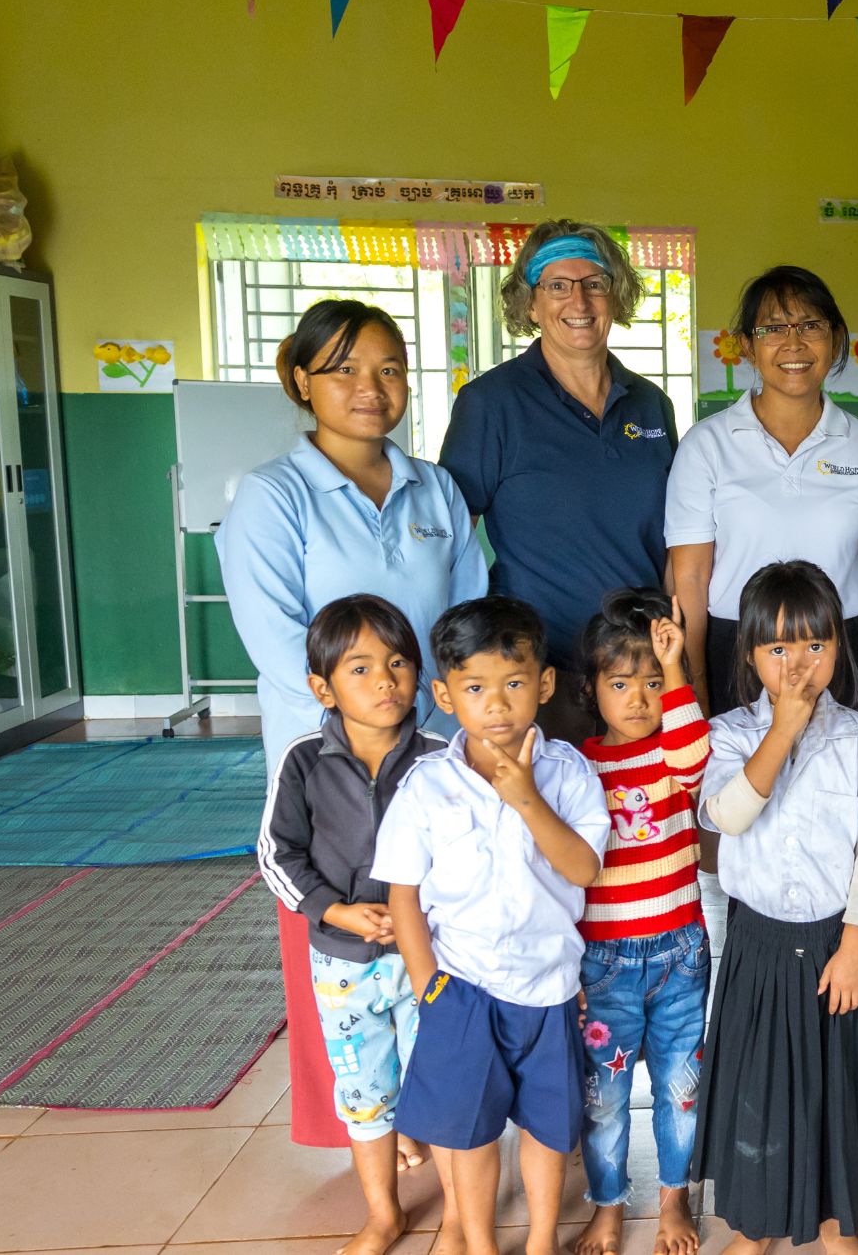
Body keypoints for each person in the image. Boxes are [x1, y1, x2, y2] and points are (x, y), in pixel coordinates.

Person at [219, 298, 488, 1151]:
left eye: (389, 369)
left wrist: (448, 734)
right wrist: (365, 743)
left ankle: (434, 1115)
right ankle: (367, 1131)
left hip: (434, 754)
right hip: (332, 767)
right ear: (301, 380)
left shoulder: (434, 487)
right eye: (343, 369)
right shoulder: (273, 495)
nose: (370, 389)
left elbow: (465, 619)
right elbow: (277, 646)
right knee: (347, 941)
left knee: (438, 944)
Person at [374, 596, 613, 1255]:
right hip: (463, 985)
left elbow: (583, 868)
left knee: (547, 1127)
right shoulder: (426, 786)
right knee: (467, 1131)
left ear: (544, 684)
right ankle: (477, 1241)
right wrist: (430, 989)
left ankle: (540, 1240)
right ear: (445, 696)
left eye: (514, 684)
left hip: (548, 988)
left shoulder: (569, 773)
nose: (498, 703)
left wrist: (526, 797)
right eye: (477, 687)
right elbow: (403, 895)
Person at [692, 561, 858, 1255]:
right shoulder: (726, 736)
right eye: (778, 648)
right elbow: (728, 814)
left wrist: (853, 948)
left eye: (815, 644)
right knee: (762, 1089)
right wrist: (780, 729)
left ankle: (831, 1224)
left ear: (838, 647)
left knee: (834, 1093)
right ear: (749, 652)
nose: (798, 664)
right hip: (755, 943)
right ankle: (756, 1228)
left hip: (833, 944)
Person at [255, 594, 450, 1255]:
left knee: (442, 1079)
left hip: (428, 956)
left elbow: (467, 858)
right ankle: (384, 1215)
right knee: (366, 1091)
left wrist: (420, 915)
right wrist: (333, 909)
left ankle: (460, 1215)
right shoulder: (303, 762)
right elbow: (277, 855)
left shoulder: (440, 759)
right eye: (361, 668)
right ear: (323, 687)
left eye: (398, 663)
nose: (385, 680)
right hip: (342, 962)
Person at [440, 220, 677, 744]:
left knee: (647, 820)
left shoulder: (650, 403)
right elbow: (451, 544)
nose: (580, 300)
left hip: (640, 676)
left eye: (595, 283)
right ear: (530, 303)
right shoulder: (491, 404)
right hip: (542, 676)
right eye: (558, 285)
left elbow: (677, 541)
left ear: (615, 296)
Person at [666, 266, 858, 714]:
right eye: (774, 328)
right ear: (749, 347)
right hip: (738, 654)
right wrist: (692, 686)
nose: (794, 344)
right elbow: (690, 579)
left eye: (811, 325)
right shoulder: (707, 445)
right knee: (747, 782)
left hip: (846, 652)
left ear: (835, 339)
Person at [569, 588, 710, 1255]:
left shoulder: (673, 755)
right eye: (620, 682)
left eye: (651, 683)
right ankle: (607, 1206)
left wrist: (676, 665)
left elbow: (692, 757)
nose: (638, 698)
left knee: (681, 1090)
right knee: (606, 1097)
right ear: (591, 686)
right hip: (605, 962)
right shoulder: (576, 766)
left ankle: (674, 1202)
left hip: (681, 952)